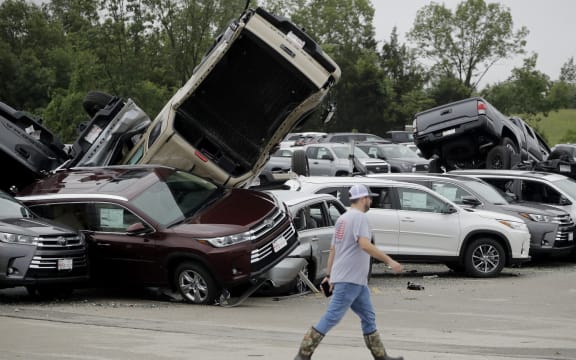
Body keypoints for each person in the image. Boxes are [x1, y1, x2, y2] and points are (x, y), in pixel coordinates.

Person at [294, 184, 404, 360]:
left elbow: (333, 250)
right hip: (349, 279)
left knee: (368, 317)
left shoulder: (342, 219)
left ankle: (381, 356)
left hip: (356, 281)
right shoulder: (359, 218)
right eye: (369, 197)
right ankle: (303, 354)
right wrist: (389, 260)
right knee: (332, 317)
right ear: (362, 199)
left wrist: (329, 275)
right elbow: (364, 244)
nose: (371, 200)